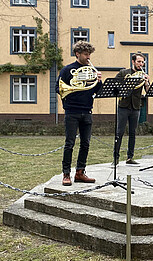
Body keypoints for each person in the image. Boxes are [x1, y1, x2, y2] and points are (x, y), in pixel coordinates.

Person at [56, 41, 102, 186]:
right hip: (72, 111)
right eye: (86, 54)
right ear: (78, 54)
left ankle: (80, 172)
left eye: (89, 54)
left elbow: (96, 91)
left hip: (87, 111)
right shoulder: (67, 70)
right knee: (69, 143)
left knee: (86, 144)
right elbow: (59, 88)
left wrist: (99, 81)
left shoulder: (91, 70)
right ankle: (66, 174)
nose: (88, 57)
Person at [114, 53, 150, 165]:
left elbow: (148, 91)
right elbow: (115, 86)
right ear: (133, 62)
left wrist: (147, 82)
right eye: (139, 61)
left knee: (133, 133)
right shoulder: (123, 73)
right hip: (123, 106)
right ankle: (115, 158)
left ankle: (130, 157)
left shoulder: (143, 75)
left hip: (136, 106)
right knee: (119, 132)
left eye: (143, 62)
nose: (141, 64)